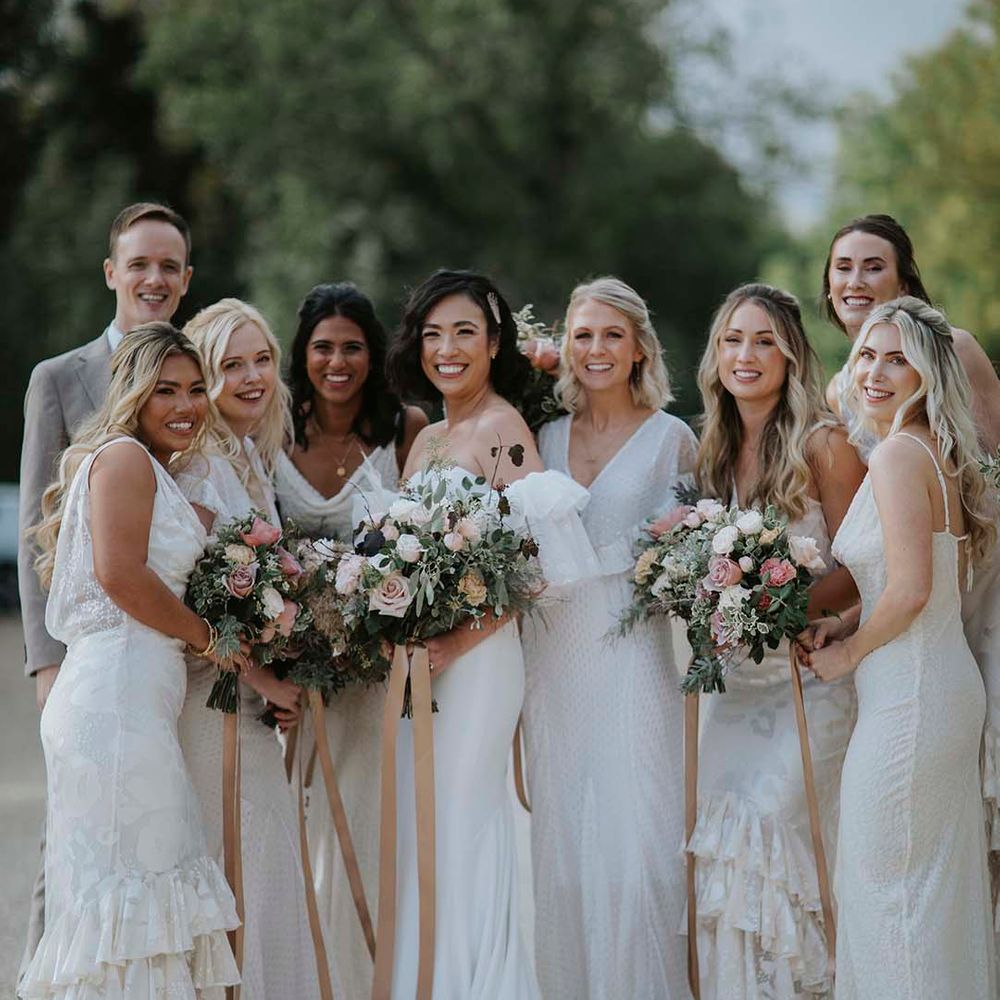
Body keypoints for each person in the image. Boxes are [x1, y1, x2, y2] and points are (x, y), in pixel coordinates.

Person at [382, 269, 597, 999]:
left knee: (466, 820)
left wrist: (457, 641)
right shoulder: (426, 438)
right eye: (434, 333)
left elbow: (541, 564)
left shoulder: (503, 428)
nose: (447, 348)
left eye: (465, 332)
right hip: (418, 669)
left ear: (495, 342)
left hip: (476, 663)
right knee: (420, 823)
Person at [18, 323, 241, 999]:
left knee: (140, 887)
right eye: (165, 390)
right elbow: (121, 575)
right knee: (135, 890)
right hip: (112, 706)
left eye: (197, 390)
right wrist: (212, 640)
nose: (184, 405)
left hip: (133, 701)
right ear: (134, 395)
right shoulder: (124, 459)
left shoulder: (155, 470)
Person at [15, 201, 193, 987]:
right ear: (112, 273)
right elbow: (36, 534)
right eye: (140, 263)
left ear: (185, 281)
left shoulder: (196, 375)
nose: (153, 278)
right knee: (75, 858)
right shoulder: (58, 379)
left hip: (158, 672)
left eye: (169, 266)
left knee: (140, 856)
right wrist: (46, 664)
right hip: (92, 662)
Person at [801, 297, 996, 999]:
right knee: (923, 896)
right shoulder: (933, 451)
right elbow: (915, 580)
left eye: (898, 357)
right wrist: (848, 621)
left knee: (892, 902)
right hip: (932, 688)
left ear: (927, 370)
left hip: (909, 704)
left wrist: (846, 657)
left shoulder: (894, 457)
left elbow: (911, 591)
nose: (877, 372)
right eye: (868, 356)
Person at [518, 276, 697, 999]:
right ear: (565, 345)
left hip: (633, 663)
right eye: (584, 335)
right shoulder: (542, 438)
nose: (596, 349)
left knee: (638, 845)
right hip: (552, 662)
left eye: (612, 335)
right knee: (564, 847)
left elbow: (685, 558)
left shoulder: (672, 439)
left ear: (638, 349)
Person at [686, 284, 864, 1000]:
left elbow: (863, 567)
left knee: (776, 838)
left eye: (764, 340)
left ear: (790, 354)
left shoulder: (824, 443)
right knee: (725, 852)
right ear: (716, 355)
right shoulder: (715, 449)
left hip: (808, 682)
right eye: (733, 340)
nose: (746, 355)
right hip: (733, 692)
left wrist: (777, 607)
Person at [821, 212, 1000, 912]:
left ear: (904, 277)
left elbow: (982, 482)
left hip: (966, 597)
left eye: (873, 265)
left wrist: (865, 636)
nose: (856, 279)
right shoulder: (850, 386)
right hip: (914, 614)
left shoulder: (950, 352)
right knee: (924, 870)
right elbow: (904, 547)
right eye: (843, 266)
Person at [177, 298, 333, 999]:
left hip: (245, 699)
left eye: (261, 360)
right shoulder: (198, 465)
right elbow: (193, 601)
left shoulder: (247, 456)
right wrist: (266, 681)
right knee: (237, 861)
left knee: (265, 864)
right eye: (229, 364)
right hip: (211, 704)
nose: (251, 377)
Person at [273, 282, 425, 999]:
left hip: (375, 675)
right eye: (323, 347)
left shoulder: (407, 429)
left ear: (375, 352)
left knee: (369, 825)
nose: (337, 361)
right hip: (290, 672)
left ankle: (375, 977)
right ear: (302, 353)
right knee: (299, 827)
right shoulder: (268, 430)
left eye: (352, 346)